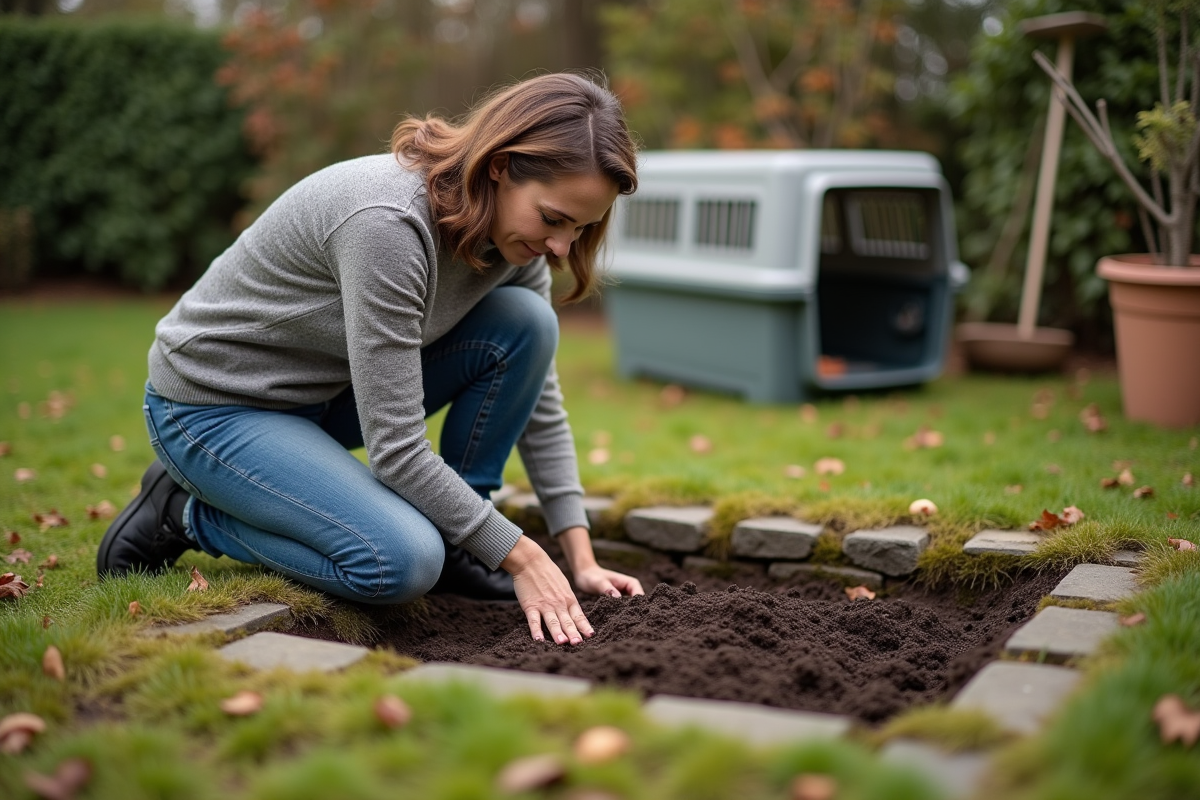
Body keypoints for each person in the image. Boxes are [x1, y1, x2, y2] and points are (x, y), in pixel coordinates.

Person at [96, 72, 645, 646]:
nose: (562, 246)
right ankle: (185, 512)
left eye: (579, 228)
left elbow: (540, 398)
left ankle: (465, 541)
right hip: (216, 407)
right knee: (400, 563)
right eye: (554, 219)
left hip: (325, 395)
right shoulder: (389, 223)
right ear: (500, 167)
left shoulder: (516, 242)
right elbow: (397, 451)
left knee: (529, 324)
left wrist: (578, 554)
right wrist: (522, 555)